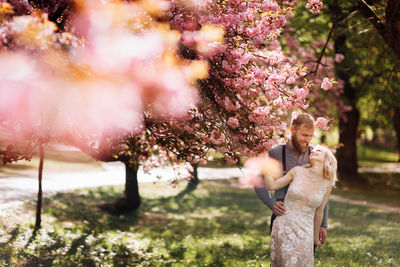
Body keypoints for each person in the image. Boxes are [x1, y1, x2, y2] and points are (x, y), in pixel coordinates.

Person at [254, 114, 329, 241]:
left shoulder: (316, 155)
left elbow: (323, 191)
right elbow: (258, 181)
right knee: (280, 260)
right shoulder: (275, 153)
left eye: (311, 136)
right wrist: (270, 202)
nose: (308, 140)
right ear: (293, 130)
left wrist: (323, 224)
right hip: (282, 217)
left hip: (309, 220)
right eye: (304, 135)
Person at [262, 144, 337, 266]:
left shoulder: (327, 184)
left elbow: (319, 212)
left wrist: (315, 237)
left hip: (306, 229)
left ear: (327, 158)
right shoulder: (297, 171)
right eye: (313, 151)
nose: (314, 151)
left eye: (319, 151)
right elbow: (272, 186)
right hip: (284, 225)